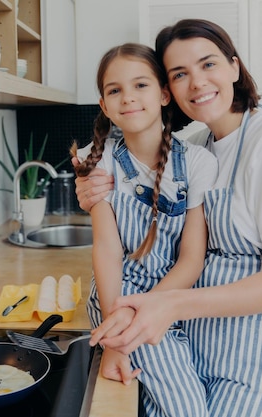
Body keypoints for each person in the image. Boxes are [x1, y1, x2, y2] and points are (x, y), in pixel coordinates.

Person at [74, 19, 262, 417]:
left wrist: (165, 306)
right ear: (170, 89)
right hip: (201, 345)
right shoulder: (197, 147)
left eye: (208, 64)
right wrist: (90, 192)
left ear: (234, 67)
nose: (196, 83)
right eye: (180, 73)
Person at [72, 43, 217, 417]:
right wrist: (115, 339)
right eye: (114, 90)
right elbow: (107, 251)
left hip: (172, 299)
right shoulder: (98, 158)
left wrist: (153, 309)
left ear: (164, 94)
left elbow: (191, 259)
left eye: (140, 85)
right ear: (103, 105)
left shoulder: (198, 163)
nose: (128, 98)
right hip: (117, 299)